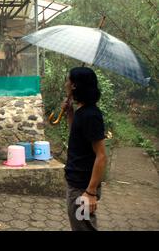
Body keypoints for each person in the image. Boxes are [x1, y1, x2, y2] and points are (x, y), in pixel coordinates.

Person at [62, 67, 108, 231]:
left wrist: (90, 192)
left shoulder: (91, 115)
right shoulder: (82, 111)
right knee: (80, 227)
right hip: (76, 183)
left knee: (84, 228)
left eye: (68, 80)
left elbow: (101, 156)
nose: (66, 83)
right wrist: (70, 113)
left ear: (74, 85)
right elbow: (77, 136)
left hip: (83, 187)